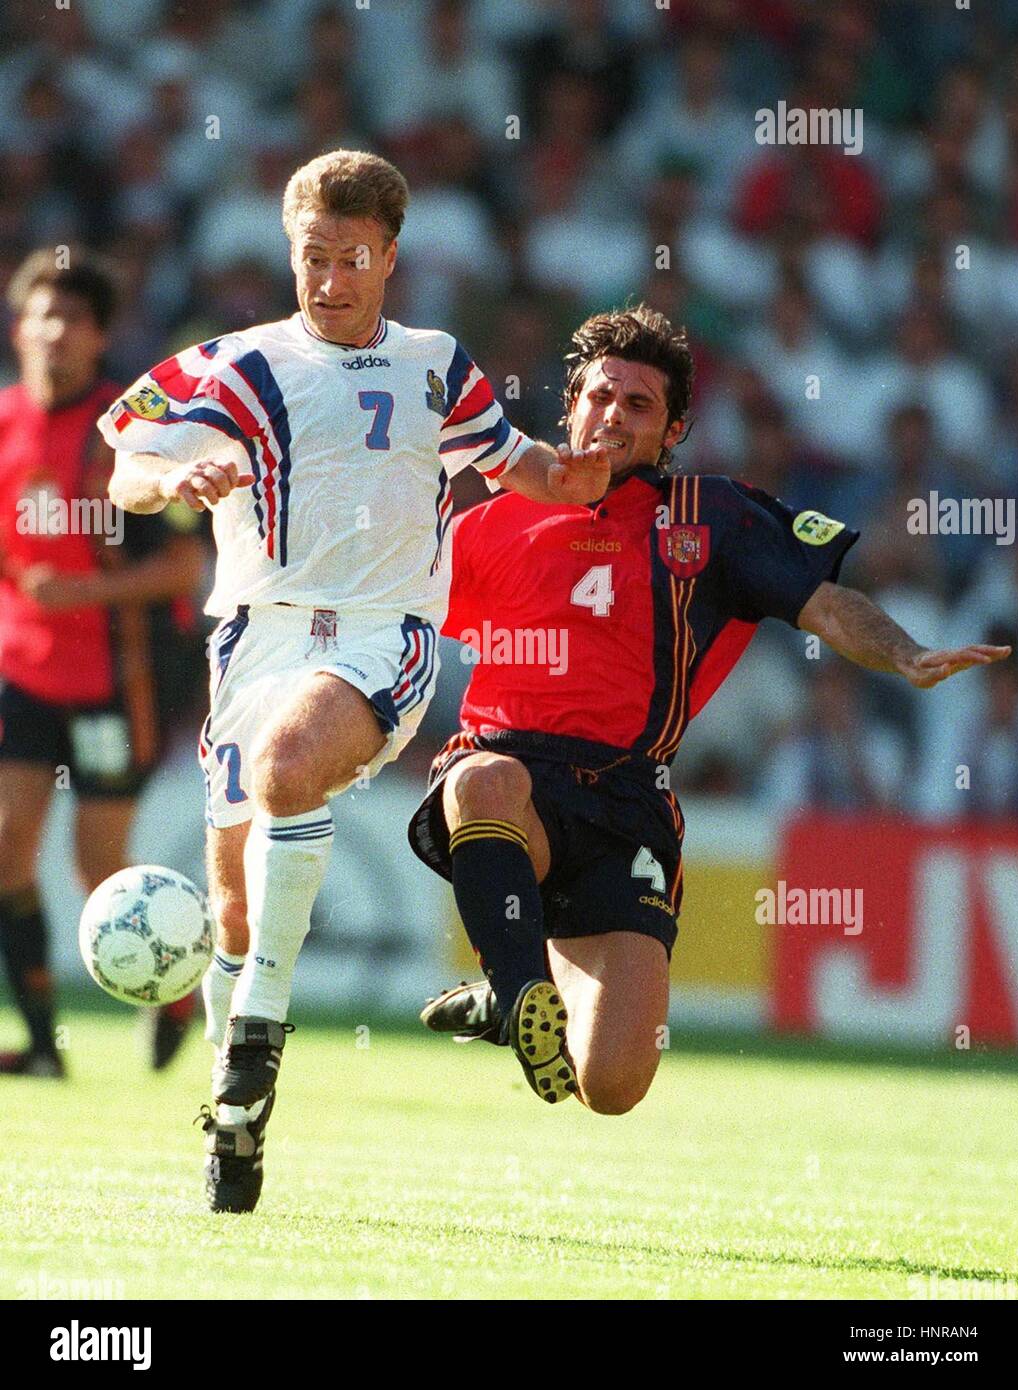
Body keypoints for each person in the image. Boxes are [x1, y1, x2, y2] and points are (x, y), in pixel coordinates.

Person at [101, 149, 613, 1213]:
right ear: (289, 251)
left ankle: (259, 1038)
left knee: (290, 768)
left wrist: (565, 479)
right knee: (233, 916)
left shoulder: (437, 364)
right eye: (312, 256)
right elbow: (126, 469)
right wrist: (173, 476)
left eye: (352, 258)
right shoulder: (237, 364)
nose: (329, 280)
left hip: (384, 636)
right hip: (254, 641)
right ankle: (234, 1125)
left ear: (390, 257)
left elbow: (510, 459)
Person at [411, 305, 1011, 1113]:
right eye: (599, 396)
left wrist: (903, 652)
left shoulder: (712, 516)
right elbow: (389, 616)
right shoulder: (492, 522)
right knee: (482, 780)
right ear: (571, 407)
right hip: (512, 776)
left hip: (630, 799)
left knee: (611, 1087)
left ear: (674, 430)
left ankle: (508, 986)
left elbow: (826, 604)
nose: (613, 415)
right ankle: (517, 986)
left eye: (638, 404)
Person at [0, 249, 205, 1078]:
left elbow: (185, 568)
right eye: (43, 315)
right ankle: (43, 1047)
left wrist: (82, 592)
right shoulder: (4, 423)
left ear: (100, 337)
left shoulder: (129, 437)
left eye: (73, 319)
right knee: (5, 852)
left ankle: (178, 991)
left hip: (119, 683)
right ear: (20, 328)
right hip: (23, 673)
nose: (55, 332)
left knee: (96, 867)